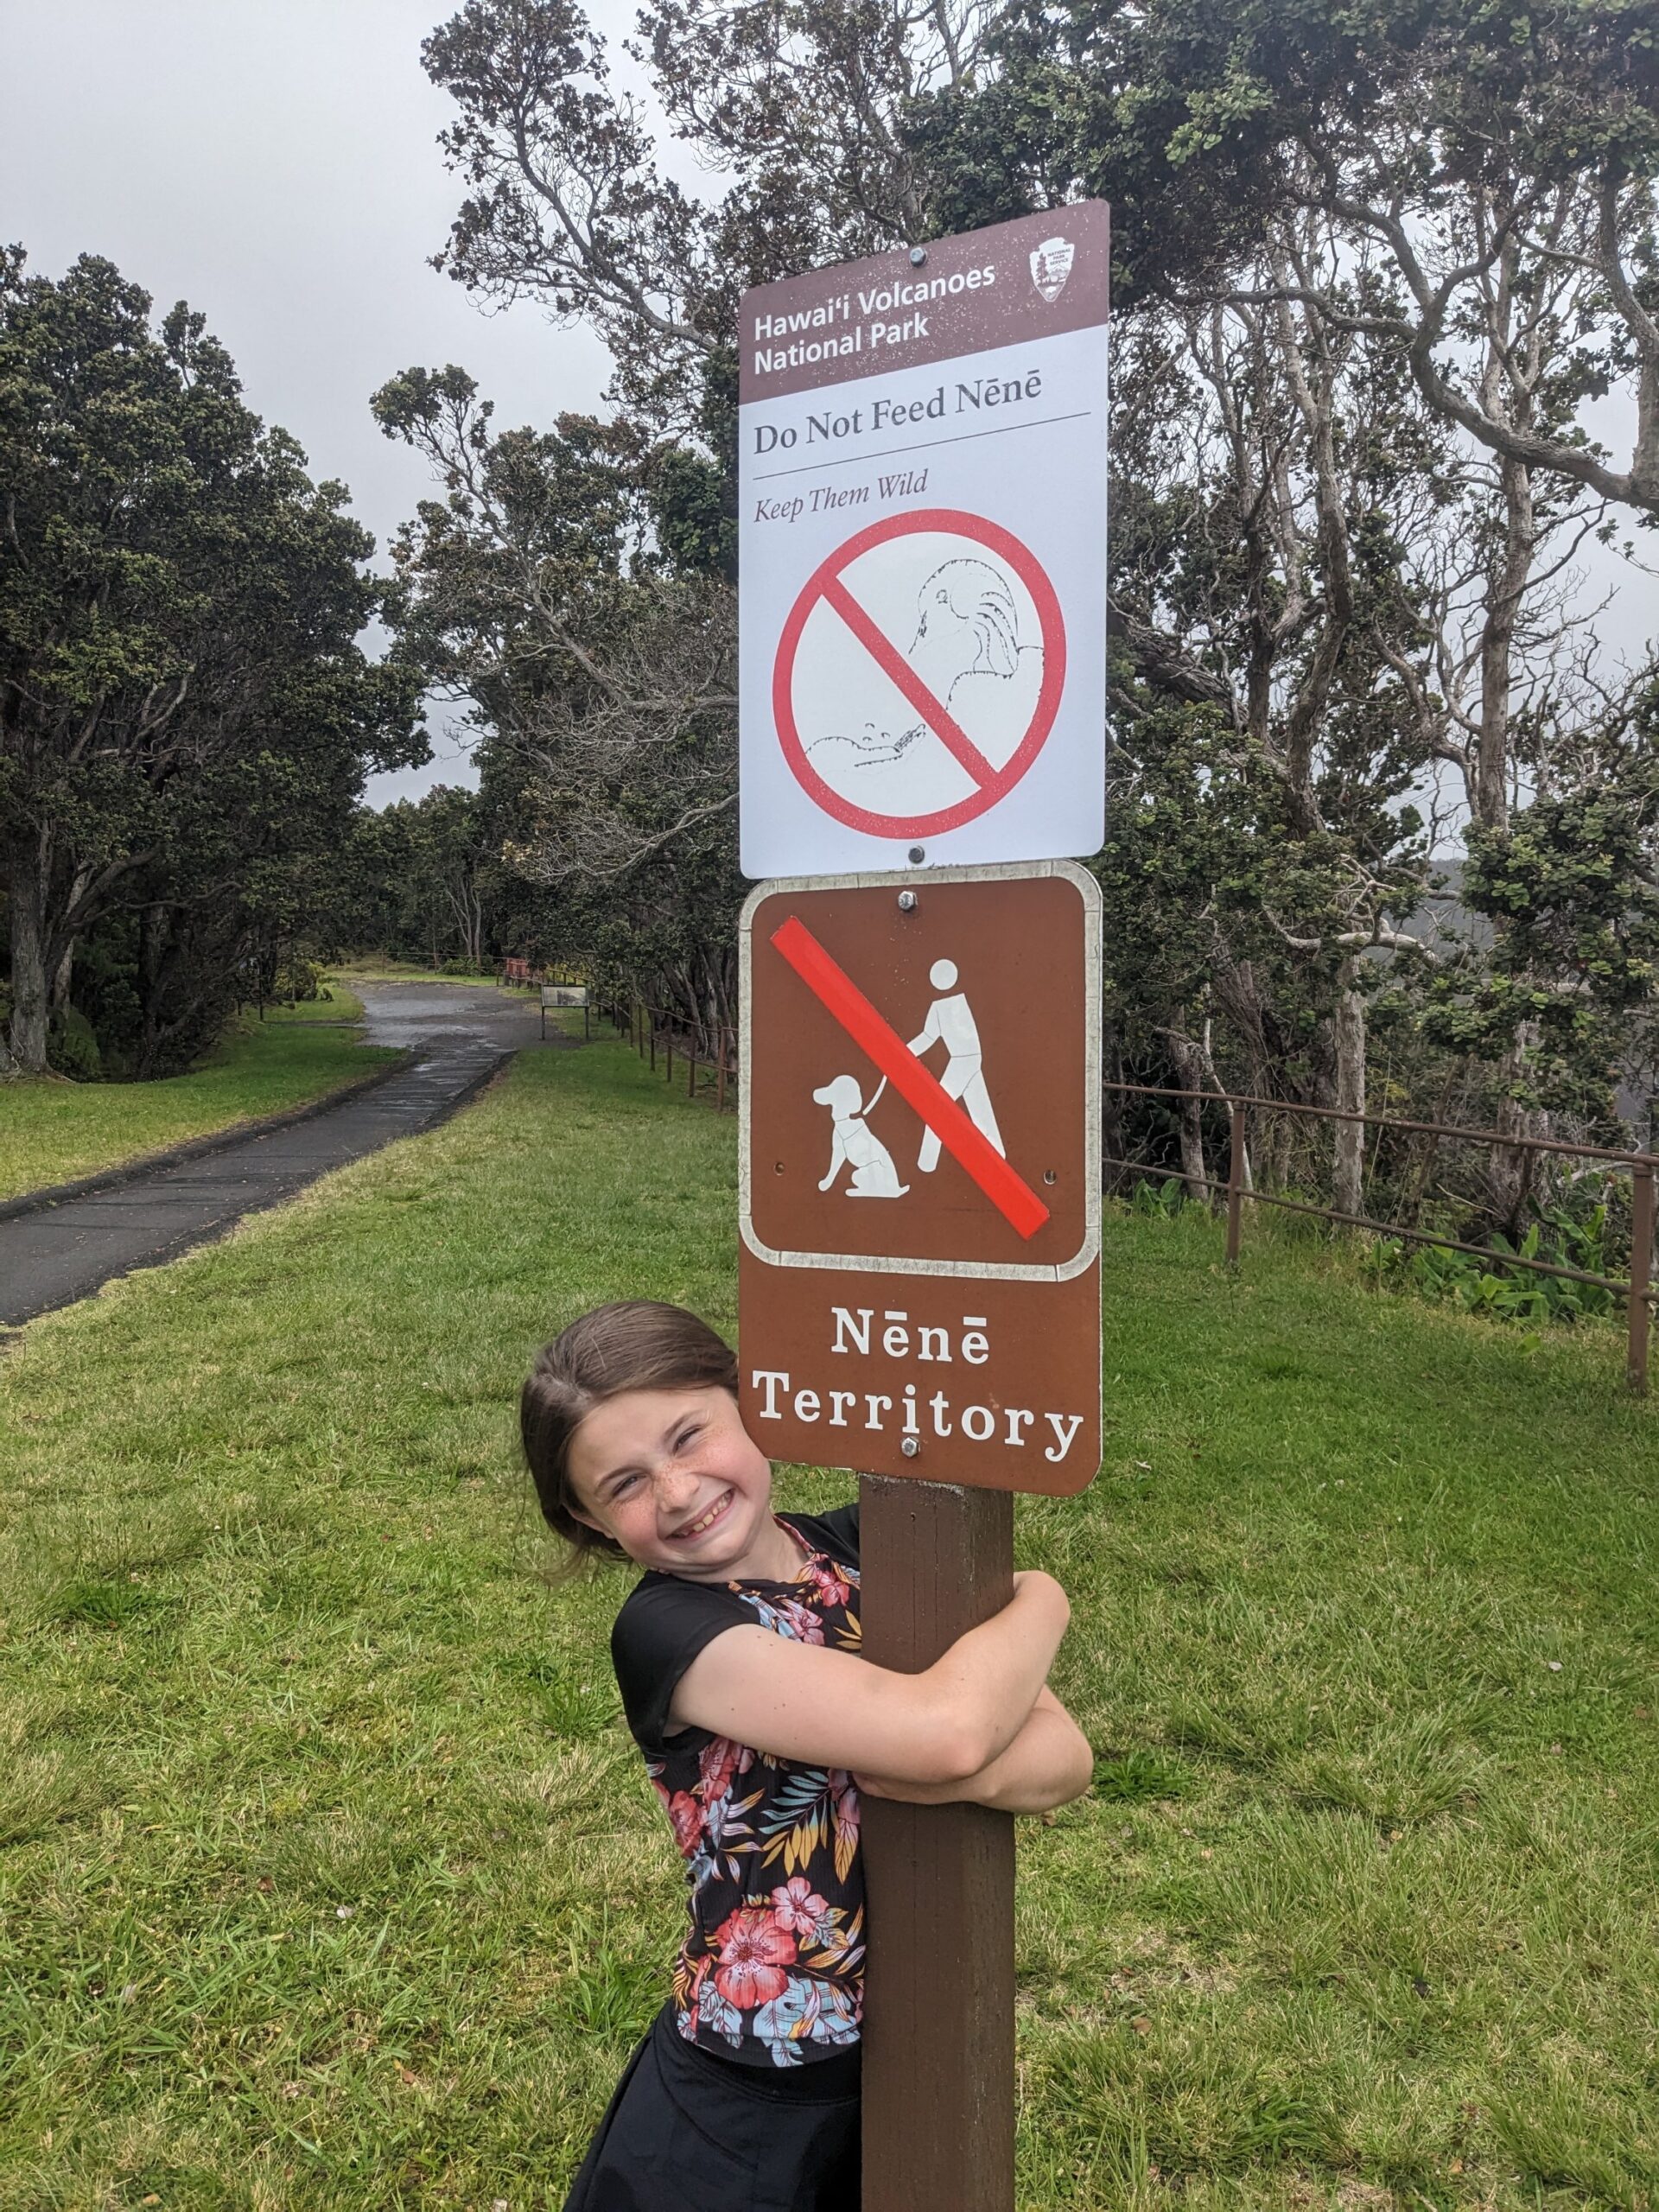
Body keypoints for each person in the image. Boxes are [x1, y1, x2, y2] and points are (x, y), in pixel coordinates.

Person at [520, 1299, 1093, 2212]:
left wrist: (958, 1742)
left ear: (756, 1401)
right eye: (624, 1483)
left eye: (689, 1436)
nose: (678, 1492)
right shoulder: (670, 1631)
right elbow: (949, 1728)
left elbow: (1064, 1756)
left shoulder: (866, 1546)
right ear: (588, 1521)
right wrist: (1001, 1668)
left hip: (903, 2050)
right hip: (750, 2094)